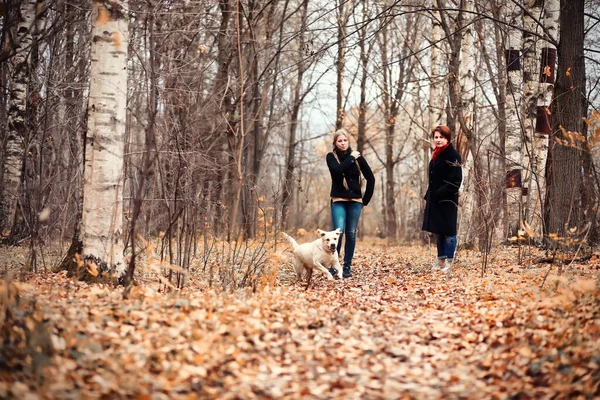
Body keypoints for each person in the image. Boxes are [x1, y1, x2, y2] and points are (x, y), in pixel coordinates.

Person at [326, 129, 375, 278]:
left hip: (355, 201)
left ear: (348, 141)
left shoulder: (358, 158)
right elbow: (337, 170)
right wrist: (351, 158)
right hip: (338, 200)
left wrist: (365, 200)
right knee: (338, 234)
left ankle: (347, 267)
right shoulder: (331, 157)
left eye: (345, 140)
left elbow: (371, 178)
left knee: (351, 234)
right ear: (335, 143)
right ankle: (335, 266)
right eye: (339, 141)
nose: (342, 143)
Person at [422, 125, 463, 272]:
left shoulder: (453, 155)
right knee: (438, 231)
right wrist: (429, 198)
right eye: (436, 137)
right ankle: (440, 261)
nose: (438, 140)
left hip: (448, 200)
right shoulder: (436, 154)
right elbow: (432, 180)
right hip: (435, 200)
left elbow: (456, 181)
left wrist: (440, 193)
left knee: (449, 232)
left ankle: (449, 263)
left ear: (447, 138)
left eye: (441, 137)